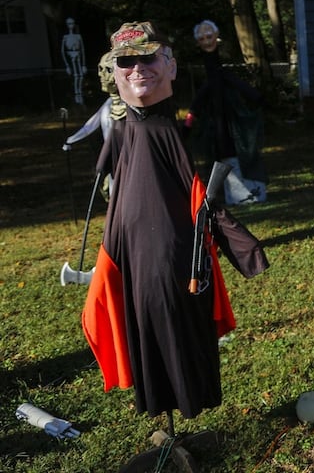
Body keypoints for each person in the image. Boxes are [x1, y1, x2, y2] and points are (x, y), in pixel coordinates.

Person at [81, 21, 268, 429]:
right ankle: (167, 417)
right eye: (125, 62)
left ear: (170, 66)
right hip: (134, 255)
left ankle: (176, 413)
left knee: (172, 324)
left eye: (147, 58)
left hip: (173, 256)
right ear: (112, 73)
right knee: (150, 325)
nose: (137, 69)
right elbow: (119, 186)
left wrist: (246, 250)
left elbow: (200, 197)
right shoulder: (128, 131)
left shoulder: (166, 132)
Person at [185, 20, 268, 204]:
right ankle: (223, 191)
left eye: (209, 36)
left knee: (232, 149)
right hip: (214, 120)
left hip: (230, 119)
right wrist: (190, 118)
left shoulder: (223, 73)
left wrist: (256, 99)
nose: (207, 41)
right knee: (219, 150)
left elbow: (234, 85)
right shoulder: (207, 77)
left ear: (216, 36)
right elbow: (202, 96)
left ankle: (246, 191)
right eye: (202, 38)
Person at [62, 17, 86, 105]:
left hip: (77, 55)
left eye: (72, 23)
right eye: (69, 24)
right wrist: (67, 66)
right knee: (76, 75)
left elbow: (82, 50)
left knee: (80, 76)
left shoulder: (78, 36)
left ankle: (80, 94)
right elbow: (63, 51)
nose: (71, 26)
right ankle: (77, 94)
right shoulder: (65, 37)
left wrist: (83, 65)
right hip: (71, 55)